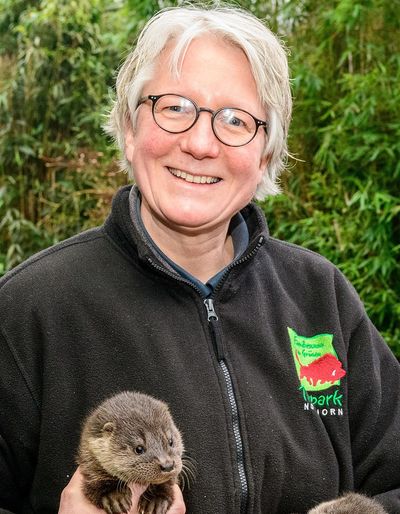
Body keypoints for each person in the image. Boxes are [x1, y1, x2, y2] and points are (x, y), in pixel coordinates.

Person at [0, 4, 399, 514]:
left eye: (235, 120)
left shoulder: (320, 294)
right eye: (174, 107)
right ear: (129, 126)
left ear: (266, 154)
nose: (199, 142)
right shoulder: (30, 309)